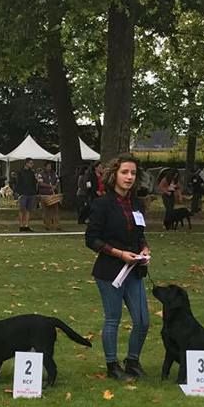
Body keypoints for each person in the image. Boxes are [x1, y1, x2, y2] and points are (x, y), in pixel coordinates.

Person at [85, 154, 151, 381]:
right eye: (125, 172)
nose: (129, 177)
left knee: (143, 320)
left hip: (134, 270)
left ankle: (132, 361)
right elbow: (91, 238)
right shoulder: (102, 204)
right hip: (109, 271)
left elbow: (140, 234)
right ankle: (112, 366)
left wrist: (144, 249)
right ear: (114, 175)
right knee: (113, 318)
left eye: (133, 173)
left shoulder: (137, 204)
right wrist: (119, 253)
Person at [37, 161, 61, 230]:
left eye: (50, 166)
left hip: (53, 194)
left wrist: (55, 186)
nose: (49, 167)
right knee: (46, 210)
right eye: (48, 166)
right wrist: (50, 186)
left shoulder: (54, 173)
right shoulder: (41, 174)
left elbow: (57, 181)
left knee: (55, 210)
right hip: (44, 195)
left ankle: (57, 225)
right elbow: (40, 183)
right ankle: (47, 225)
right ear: (45, 166)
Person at [16, 158, 38, 232]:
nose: (32, 165)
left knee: (29, 210)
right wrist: (19, 193)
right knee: (22, 209)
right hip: (23, 193)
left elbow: (34, 182)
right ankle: (21, 225)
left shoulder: (32, 172)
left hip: (31, 193)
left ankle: (27, 225)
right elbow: (18, 183)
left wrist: (35, 191)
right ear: (26, 163)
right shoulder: (20, 172)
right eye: (31, 163)